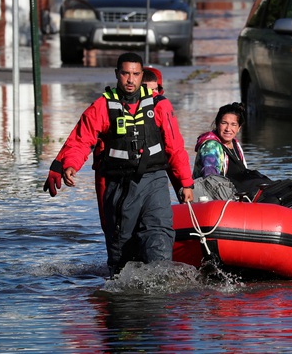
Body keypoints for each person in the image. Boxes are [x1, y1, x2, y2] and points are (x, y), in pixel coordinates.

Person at [43, 52, 194, 276]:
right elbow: (81, 139)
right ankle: (123, 295)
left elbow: (175, 146)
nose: (130, 79)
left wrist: (185, 183)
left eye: (135, 74)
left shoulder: (160, 105)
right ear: (117, 74)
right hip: (119, 185)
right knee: (122, 249)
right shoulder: (102, 106)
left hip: (154, 182)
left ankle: (160, 289)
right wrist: (71, 165)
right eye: (125, 74)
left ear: (142, 76)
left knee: (159, 234)